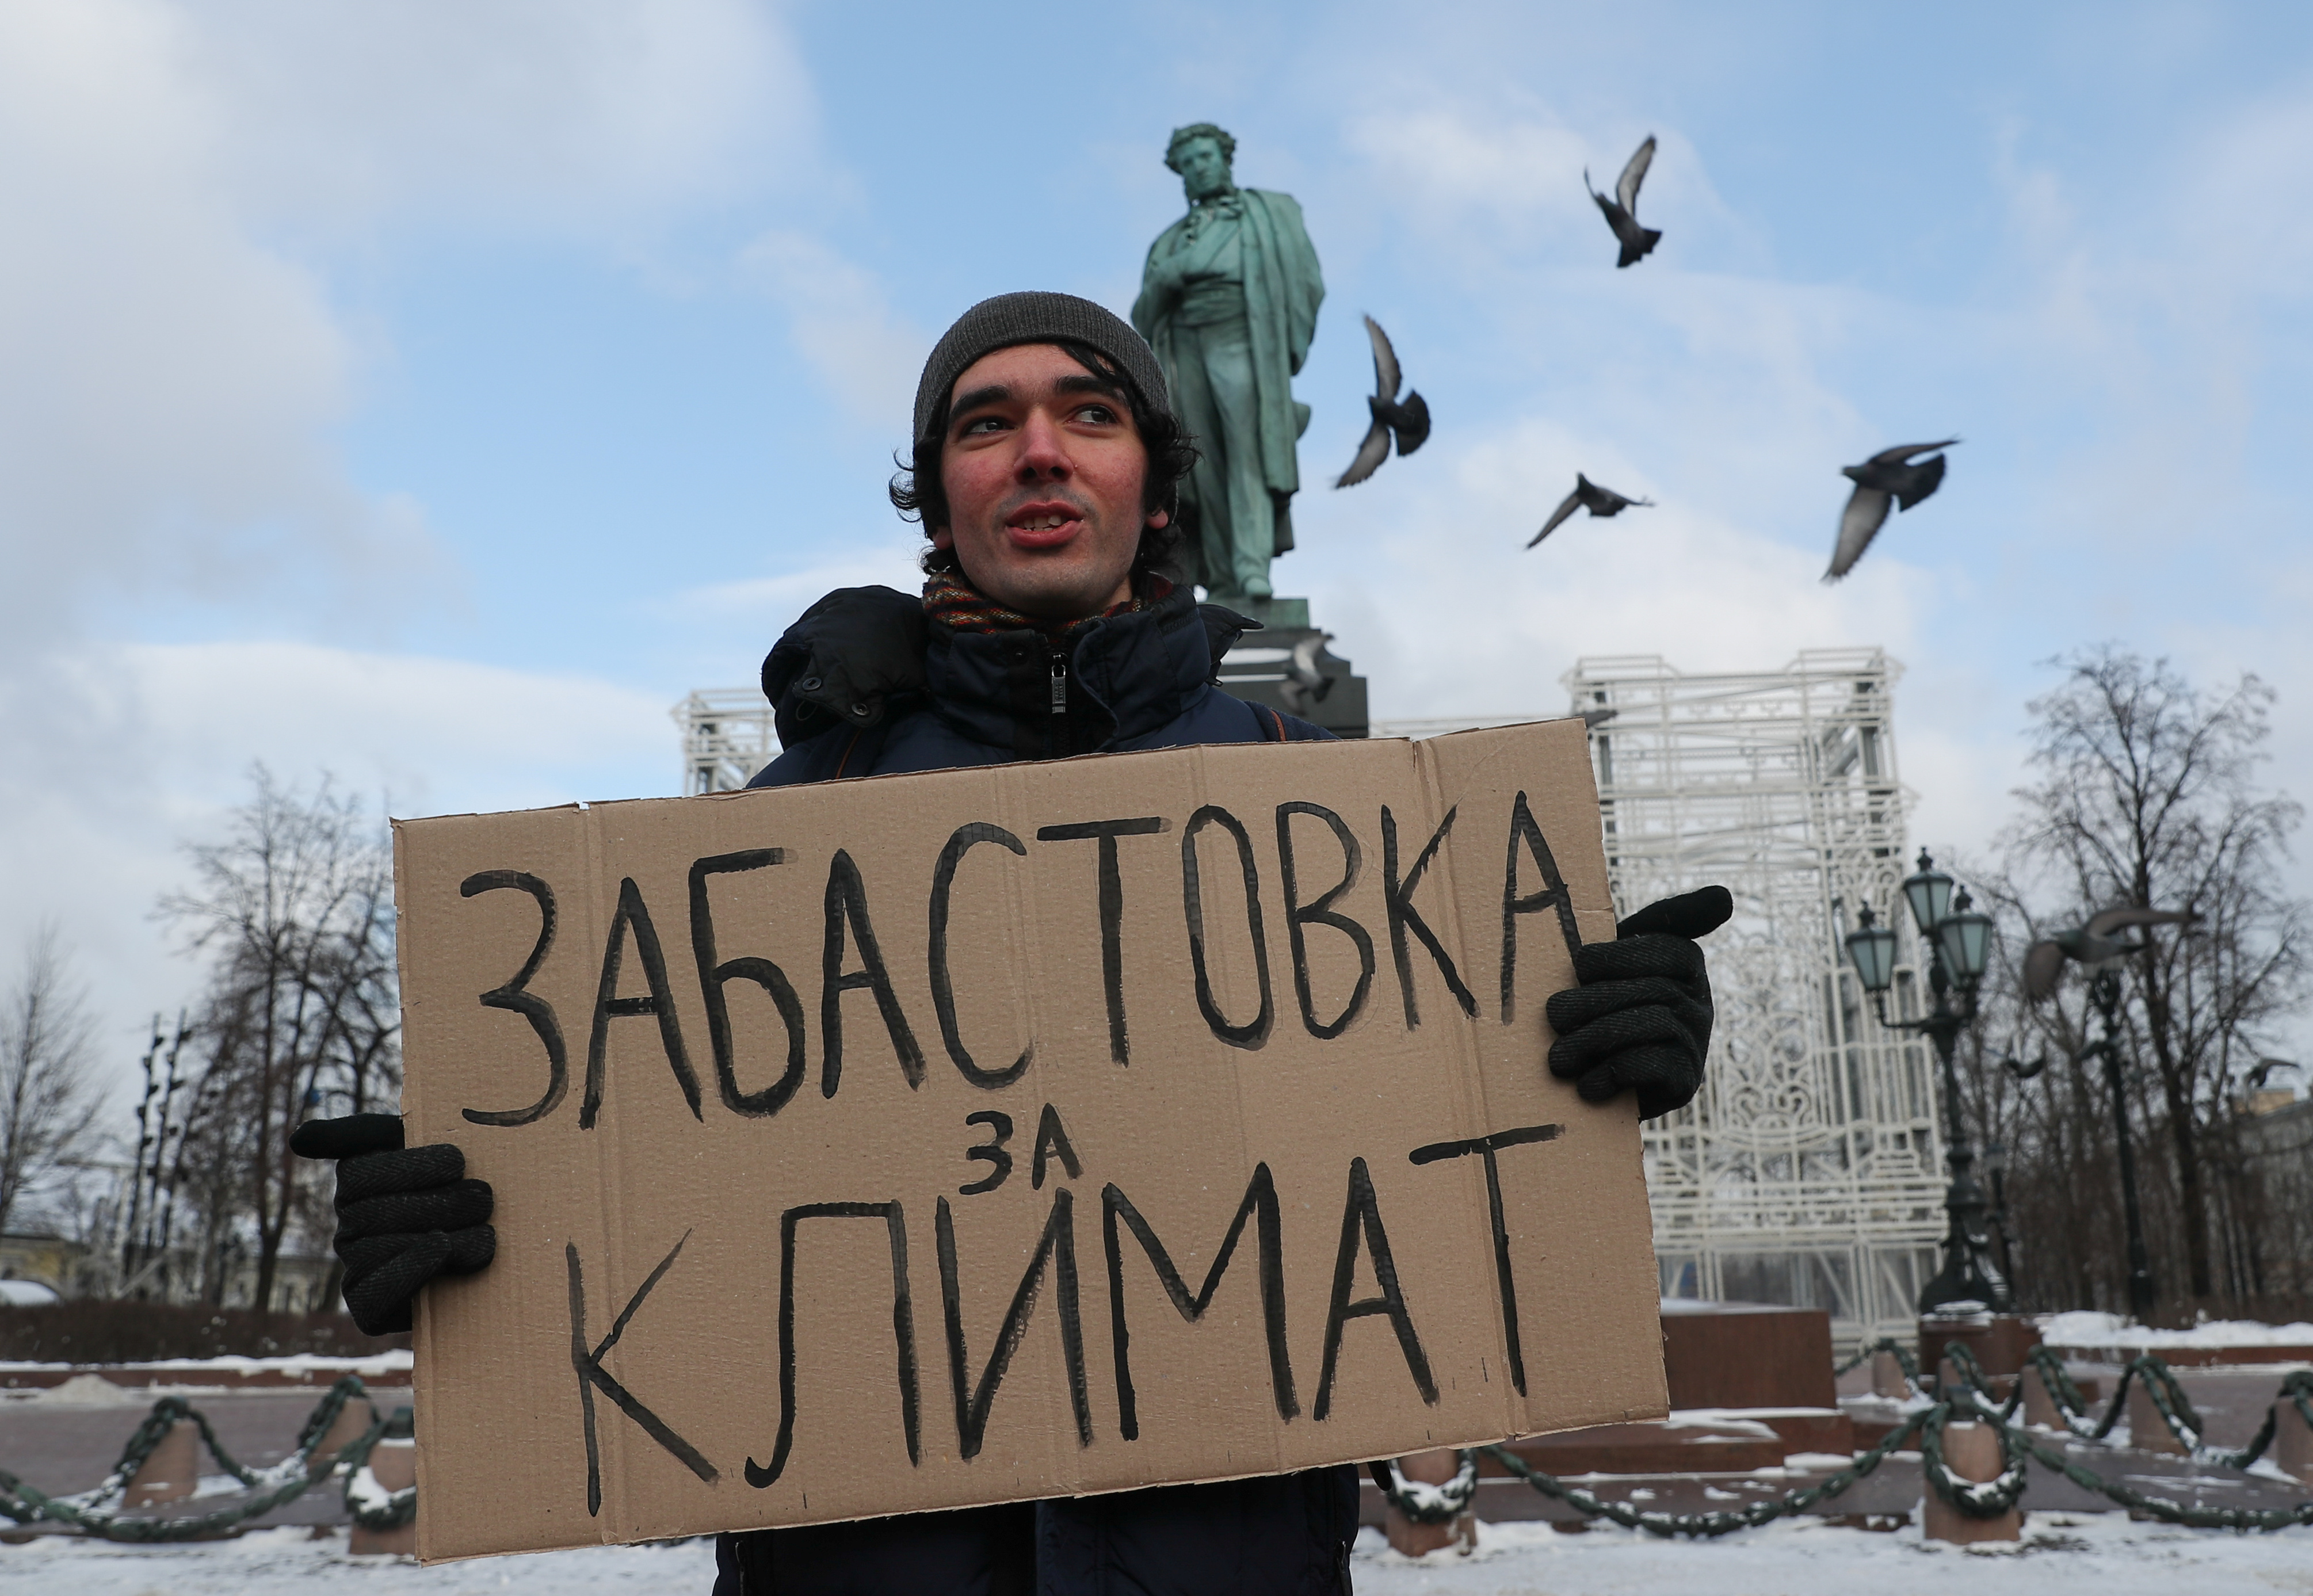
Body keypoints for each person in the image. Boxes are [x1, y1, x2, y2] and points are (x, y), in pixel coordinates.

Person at [291, 291, 1730, 1596]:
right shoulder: (774, 841)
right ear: (939, 498)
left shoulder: (1326, 812)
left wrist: (1588, 1058)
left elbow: (1418, 1163)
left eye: (1087, 415)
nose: (1040, 451)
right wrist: (462, 1246)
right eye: (989, 424)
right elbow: (660, 1219)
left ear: (1154, 484)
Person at [1132, 124, 1324, 604]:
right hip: (1184, 350)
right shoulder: (1169, 242)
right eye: (1189, 163)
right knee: (1201, 464)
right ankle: (1221, 578)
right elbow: (1141, 318)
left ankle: (1251, 565)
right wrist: (1168, 279)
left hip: (1244, 338)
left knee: (1249, 453)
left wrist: (1286, 351)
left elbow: (1308, 283)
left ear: (1225, 159)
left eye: (1206, 157)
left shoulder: (1272, 213)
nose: (1199, 168)